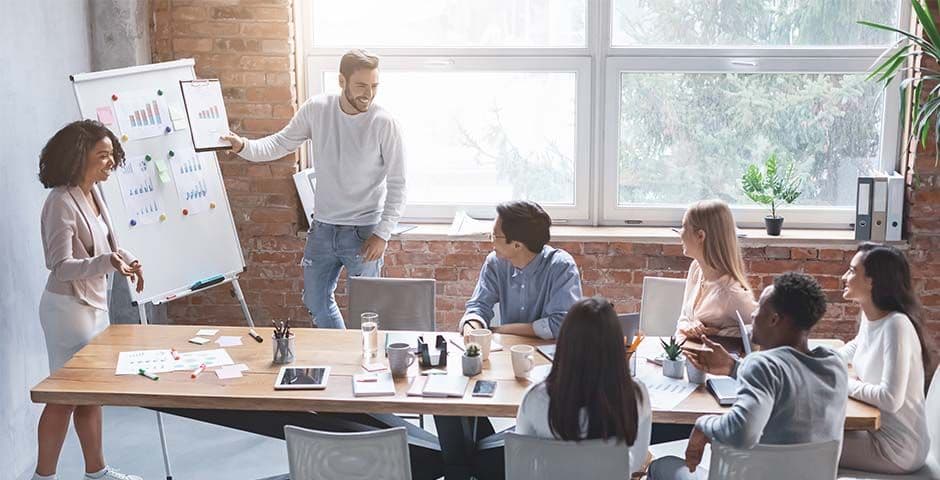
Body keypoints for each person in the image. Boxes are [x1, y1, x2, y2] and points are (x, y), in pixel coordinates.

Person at [222, 49, 406, 329]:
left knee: (368, 312)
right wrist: (243, 146)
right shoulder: (317, 109)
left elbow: (398, 183)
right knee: (316, 302)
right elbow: (280, 143)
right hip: (323, 228)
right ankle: (342, 355)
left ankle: (360, 366)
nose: (368, 94)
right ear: (341, 81)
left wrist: (382, 233)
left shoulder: (384, 123)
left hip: (364, 231)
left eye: (374, 86)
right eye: (361, 86)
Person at [649, 272, 848, 479]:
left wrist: (703, 424)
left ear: (774, 319)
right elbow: (791, 378)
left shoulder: (762, 364)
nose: (753, 315)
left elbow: (742, 433)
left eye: (760, 307)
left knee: (661, 465)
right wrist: (734, 368)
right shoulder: (835, 364)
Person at [35, 120, 145, 480]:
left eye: (112, 154)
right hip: (68, 311)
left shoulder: (94, 192)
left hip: (94, 306)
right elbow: (59, 266)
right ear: (78, 157)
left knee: (89, 393)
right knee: (64, 396)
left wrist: (125, 260)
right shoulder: (60, 202)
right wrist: (106, 263)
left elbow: (106, 247)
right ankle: (43, 476)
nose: (111, 162)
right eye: (103, 155)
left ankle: (96, 472)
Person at [837, 243, 936, 474]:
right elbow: (857, 345)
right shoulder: (872, 314)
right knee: (809, 431)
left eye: (852, 271)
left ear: (872, 281)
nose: (844, 276)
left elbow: (890, 399)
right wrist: (819, 361)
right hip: (876, 432)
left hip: (897, 449)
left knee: (803, 441)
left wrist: (841, 380)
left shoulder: (896, 325)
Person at [457, 200, 582, 339]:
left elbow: (561, 325)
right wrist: (471, 327)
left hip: (549, 353)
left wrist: (499, 330)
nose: (490, 240)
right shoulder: (495, 263)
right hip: (508, 351)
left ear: (517, 245)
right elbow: (479, 306)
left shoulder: (561, 267)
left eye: (494, 235)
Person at [674, 200, 756, 340]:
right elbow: (683, 317)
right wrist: (690, 325)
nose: (680, 234)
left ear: (701, 236)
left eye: (684, 227)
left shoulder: (730, 293)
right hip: (684, 355)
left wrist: (718, 333)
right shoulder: (696, 268)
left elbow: (762, 332)